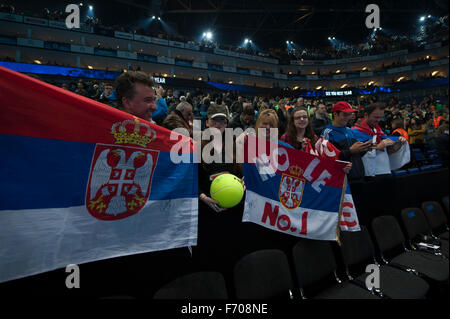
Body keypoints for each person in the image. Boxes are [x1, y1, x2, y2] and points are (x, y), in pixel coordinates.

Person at [352, 102, 408, 178]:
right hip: (368, 174)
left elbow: (387, 152)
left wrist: (398, 145)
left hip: (384, 170)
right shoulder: (355, 131)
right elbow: (356, 152)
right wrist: (378, 146)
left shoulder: (378, 131)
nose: (379, 120)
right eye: (376, 117)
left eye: (381, 117)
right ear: (366, 115)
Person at [321, 101, 371, 183]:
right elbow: (328, 160)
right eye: (344, 115)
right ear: (335, 114)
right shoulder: (328, 132)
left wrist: (364, 148)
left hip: (358, 176)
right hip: (341, 179)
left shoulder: (349, 130)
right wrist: (351, 151)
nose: (348, 117)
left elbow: (355, 154)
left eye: (349, 114)